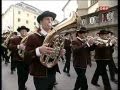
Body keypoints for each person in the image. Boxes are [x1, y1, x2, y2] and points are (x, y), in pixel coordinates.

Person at [24, 11, 65, 90]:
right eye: (47, 19)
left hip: (52, 71)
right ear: (40, 22)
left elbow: (53, 53)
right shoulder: (32, 37)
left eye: (51, 19)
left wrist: (59, 52)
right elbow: (26, 57)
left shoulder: (55, 36)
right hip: (40, 74)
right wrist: (38, 50)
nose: (50, 21)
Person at [8, 26, 30, 90]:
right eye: (22, 31)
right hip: (19, 60)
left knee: (26, 75)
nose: (24, 32)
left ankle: (23, 85)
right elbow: (9, 46)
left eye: (25, 31)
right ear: (19, 32)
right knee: (20, 76)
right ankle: (21, 88)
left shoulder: (29, 39)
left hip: (27, 60)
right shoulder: (15, 39)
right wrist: (18, 46)